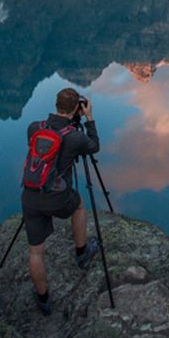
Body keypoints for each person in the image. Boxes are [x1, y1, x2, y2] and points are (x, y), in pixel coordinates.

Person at [21, 86, 101, 315]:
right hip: (57, 197)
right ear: (77, 107)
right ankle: (81, 252)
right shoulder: (75, 137)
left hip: (30, 194)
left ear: (56, 105)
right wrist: (89, 119)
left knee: (35, 251)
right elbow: (94, 146)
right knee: (78, 206)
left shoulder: (34, 127)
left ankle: (43, 300)